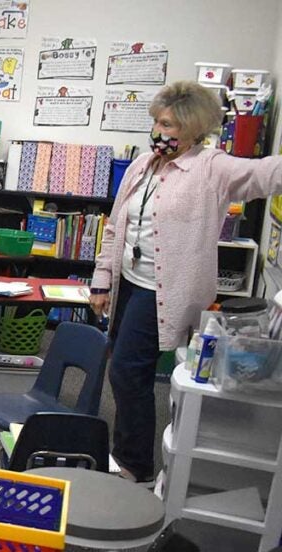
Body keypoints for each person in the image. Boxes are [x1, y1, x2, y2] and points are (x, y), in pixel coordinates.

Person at [89, 80, 282, 485]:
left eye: (171, 124)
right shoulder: (142, 165)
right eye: (158, 122)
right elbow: (115, 227)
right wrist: (102, 281)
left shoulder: (211, 166)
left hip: (162, 289)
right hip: (128, 282)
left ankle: (133, 466)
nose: (161, 131)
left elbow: (262, 173)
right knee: (126, 370)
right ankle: (131, 456)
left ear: (194, 130)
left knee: (127, 371)